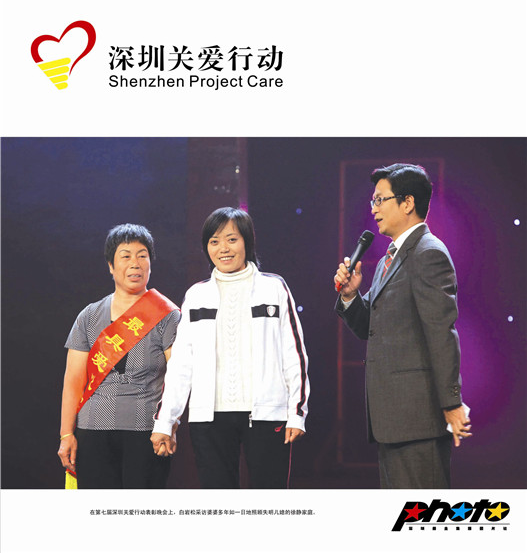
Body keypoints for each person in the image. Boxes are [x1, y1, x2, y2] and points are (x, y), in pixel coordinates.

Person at [334, 164, 471, 489]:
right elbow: (370, 327)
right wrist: (351, 295)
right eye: (373, 201)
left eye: (380, 199)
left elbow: (441, 332)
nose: (374, 209)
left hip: (418, 417)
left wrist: (452, 402)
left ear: (408, 202)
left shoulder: (428, 253)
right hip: (393, 418)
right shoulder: (389, 259)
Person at [151, 207, 309, 489]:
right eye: (214, 241)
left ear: (247, 242)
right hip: (208, 418)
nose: (223, 248)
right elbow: (181, 365)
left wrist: (297, 412)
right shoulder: (196, 295)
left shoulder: (274, 288)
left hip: (267, 414)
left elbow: (293, 355)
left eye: (232, 239)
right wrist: (166, 421)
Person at [57, 224, 180, 488]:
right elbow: (73, 381)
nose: (135, 263)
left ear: (150, 263)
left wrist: (170, 424)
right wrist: (66, 434)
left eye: (142, 255)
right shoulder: (89, 316)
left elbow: (178, 378)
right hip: (92, 431)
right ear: (111, 266)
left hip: (147, 431)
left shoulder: (168, 316)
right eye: (126, 256)